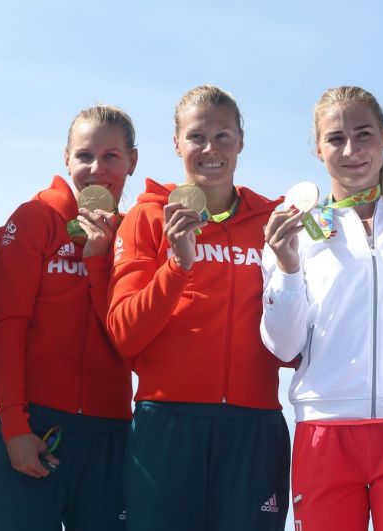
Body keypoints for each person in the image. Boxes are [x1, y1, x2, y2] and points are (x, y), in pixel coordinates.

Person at [108, 85, 289, 531]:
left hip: (254, 424)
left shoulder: (271, 223)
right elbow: (124, 332)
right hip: (167, 423)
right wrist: (177, 265)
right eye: (196, 138)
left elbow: (296, 346)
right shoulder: (148, 218)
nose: (210, 149)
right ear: (176, 144)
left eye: (223, 136)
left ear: (241, 142)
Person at [260, 86, 383, 531]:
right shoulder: (291, 232)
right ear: (317, 148)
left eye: (364, 134)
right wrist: (288, 266)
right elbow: (282, 347)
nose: (351, 150)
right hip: (325, 429)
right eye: (336, 138)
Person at [0, 104, 137, 530]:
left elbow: (128, 336)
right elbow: (7, 329)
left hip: (110, 433)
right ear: (66, 159)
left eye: (111, 156)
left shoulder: (133, 232)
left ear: (132, 161)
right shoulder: (34, 220)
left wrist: (96, 261)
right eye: (84, 156)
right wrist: (16, 426)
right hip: (35, 425)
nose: (96, 169)